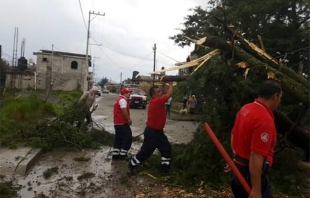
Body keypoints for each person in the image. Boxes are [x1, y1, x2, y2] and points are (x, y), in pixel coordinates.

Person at [230, 80, 282, 198]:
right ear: (275, 96)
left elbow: (233, 134)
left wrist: (236, 158)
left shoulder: (245, 109)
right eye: (280, 98)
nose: (280, 101)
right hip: (249, 175)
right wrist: (256, 190)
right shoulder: (264, 119)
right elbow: (256, 155)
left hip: (239, 171)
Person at [127, 83, 173, 174]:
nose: (161, 92)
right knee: (145, 152)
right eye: (158, 91)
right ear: (154, 95)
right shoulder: (157, 101)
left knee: (166, 148)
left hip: (158, 132)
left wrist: (166, 84)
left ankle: (165, 169)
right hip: (152, 133)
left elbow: (165, 93)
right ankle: (131, 164)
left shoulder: (158, 101)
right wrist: (171, 84)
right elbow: (168, 94)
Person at [112, 88, 133, 161]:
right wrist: (128, 119)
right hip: (122, 123)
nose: (129, 94)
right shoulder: (123, 100)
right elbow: (123, 110)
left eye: (130, 92)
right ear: (124, 93)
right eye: (128, 93)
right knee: (128, 138)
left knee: (118, 139)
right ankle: (123, 155)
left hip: (117, 123)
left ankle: (115, 155)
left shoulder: (119, 99)